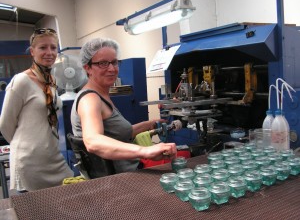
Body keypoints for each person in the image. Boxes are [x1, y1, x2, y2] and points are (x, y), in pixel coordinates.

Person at [70, 38, 177, 174]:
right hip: (121, 179)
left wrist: (150, 124)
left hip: (130, 169)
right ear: (88, 68)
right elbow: (93, 141)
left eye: (114, 62)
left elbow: (117, 134)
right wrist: (145, 151)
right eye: (103, 63)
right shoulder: (89, 99)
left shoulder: (102, 95)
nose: (112, 69)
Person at [0, 28, 73, 192]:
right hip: (30, 161)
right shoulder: (21, 81)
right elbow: (5, 125)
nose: (49, 52)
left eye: (53, 48)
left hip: (53, 158)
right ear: (32, 51)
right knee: (37, 211)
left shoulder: (51, 80)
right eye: (43, 47)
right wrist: (28, 146)